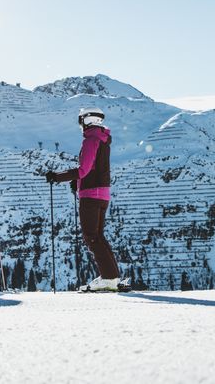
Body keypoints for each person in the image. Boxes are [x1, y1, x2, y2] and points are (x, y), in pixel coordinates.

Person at [46, 108, 127, 292]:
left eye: (80, 120)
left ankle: (109, 278)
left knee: (92, 237)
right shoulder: (102, 140)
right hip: (102, 193)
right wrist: (78, 181)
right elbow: (92, 168)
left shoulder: (91, 140)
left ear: (86, 120)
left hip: (91, 195)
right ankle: (112, 277)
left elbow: (84, 169)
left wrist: (57, 177)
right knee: (98, 237)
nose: (80, 125)